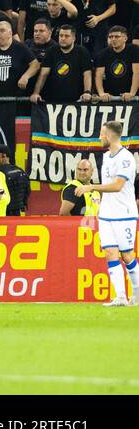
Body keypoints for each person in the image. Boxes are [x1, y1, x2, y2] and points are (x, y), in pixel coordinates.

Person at [75, 120, 139, 306]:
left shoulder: (125, 158)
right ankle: (120, 297)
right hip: (106, 215)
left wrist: (91, 187)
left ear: (110, 136)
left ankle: (136, 293)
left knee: (127, 255)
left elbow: (118, 186)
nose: (100, 137)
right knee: (110, 253)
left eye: (102, 134)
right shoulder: (106, 157)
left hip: (124, 214)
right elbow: (106, 189)